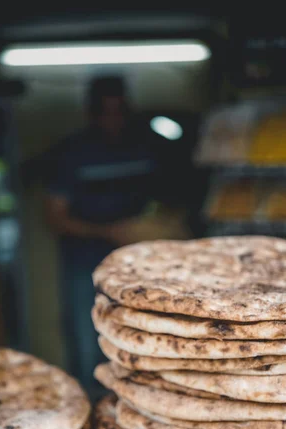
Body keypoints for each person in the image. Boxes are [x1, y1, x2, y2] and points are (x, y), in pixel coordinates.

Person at [44, 75, 186, 398]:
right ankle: (93, 414)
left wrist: (159, 225)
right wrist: (107, 232)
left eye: (119, 111)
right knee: (87, 342)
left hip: (138, 268)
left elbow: (168, 196)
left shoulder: (146, 146)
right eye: (106, 112)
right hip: (86, 267)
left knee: (143, 342)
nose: (113, 120)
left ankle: (135, 412)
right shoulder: (72, 154)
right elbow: (54, 217)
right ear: (91, 113)